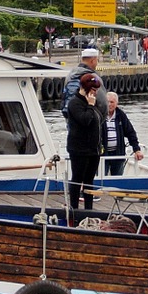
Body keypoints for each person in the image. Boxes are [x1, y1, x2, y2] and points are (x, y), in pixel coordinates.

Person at [66, 73, 105, 210]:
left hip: (93, 149)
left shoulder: (93, 103)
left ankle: (89, 208)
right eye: (93, 90)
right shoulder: (74, 103)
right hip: (79, 149)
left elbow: (99, 121)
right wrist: (90, 105)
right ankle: (74, 207)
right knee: (77, 178)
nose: (95, 93)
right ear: (86, 88)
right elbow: (85, 120)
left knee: (89, 180)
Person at [104, 92, 143, 176]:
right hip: (102, 154)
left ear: (116, 103)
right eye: (107, 102)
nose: (109, 104)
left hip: (118, 153)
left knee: (117, 178)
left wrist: (136, 149)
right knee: (101, 177)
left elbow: (130, 132)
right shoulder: (99, 115)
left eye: (112, 102)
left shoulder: (121, 115)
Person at [61, 47, 108, 117]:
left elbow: (64, 95)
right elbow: (103, 103)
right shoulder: (94, 77)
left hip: (72, 119)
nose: (97, 63)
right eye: (97, 60)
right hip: (89, 119)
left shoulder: (70, 75)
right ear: (93, 61)